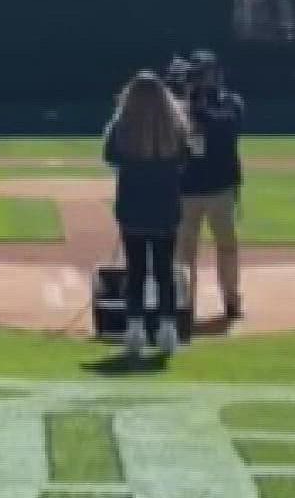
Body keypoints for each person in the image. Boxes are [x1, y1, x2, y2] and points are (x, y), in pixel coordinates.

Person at [103, 71, 197, 358]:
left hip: (132, 203)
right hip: (165, 204)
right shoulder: (176, 123)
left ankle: (134, 331)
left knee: (136, 269)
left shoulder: (122, 125)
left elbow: (110, 158)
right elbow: (186, 158)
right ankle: (167, 332)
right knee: (164, 269)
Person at [178, 50, 246, 322]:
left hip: (221, 187)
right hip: (187, 188)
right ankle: (184, 306)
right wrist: (186, 100)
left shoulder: (230, 101)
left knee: (227, 246)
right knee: (184, 253)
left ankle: (231, 301)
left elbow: (227, 127)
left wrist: (199, 109)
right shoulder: (179, 104)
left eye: (204, 71)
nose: (202, 77)